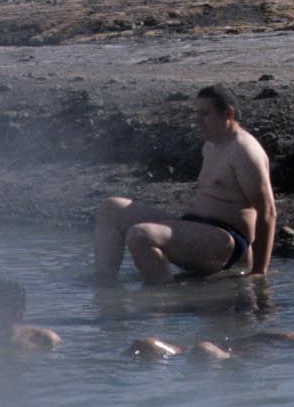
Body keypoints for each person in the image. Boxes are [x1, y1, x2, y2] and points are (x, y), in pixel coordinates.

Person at [94, 84, 276, 285]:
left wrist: (260, 271)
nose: (197, 121)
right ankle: (104, 290)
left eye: (205, 114)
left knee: (140, 235)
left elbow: (267, 211)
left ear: (228, 113)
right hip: (195, 228)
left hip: (226, 242)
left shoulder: (244, 151)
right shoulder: (211, 145)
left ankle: (163, 302)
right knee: (110, 208)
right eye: (196, 114)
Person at [128, 273, 294, 359]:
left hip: (236, 358)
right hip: (235, 352)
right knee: (143, 345)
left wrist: (283, 338)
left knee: (202, 352)